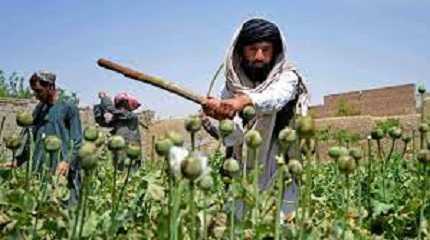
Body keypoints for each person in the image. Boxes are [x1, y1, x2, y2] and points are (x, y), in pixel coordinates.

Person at [202, 18, 310, 216]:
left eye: (265, 49)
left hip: (280, 165)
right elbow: (234, 137)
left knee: (282, 225)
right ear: (241, 51)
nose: (259, 56)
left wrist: (242, 101)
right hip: (243, 171)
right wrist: (220, 118)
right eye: (252, 49)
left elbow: (275, 99)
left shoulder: (287, 77)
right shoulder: (231, 86)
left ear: (275, 51)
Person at [3, 70, 83, 203]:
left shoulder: (68, 108)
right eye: (34, 91)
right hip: (39, 168)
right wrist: (18, 160)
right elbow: (31, 138)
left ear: (50, 87)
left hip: (60, 170)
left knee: (62, 209)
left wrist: (67, 161)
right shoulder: (39, 109)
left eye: (39, 91)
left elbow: (77, 140)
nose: (36, 95)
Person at [94, 91, 142, 168]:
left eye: (122, 104)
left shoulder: (131, 116)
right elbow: (102, 122)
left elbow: (111, 109)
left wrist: (104, 98)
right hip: (120, 154)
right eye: (119, 105)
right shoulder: (118, 119)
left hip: (132, 153)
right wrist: (98, 108)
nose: (121, 107)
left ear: (127, 105)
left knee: (132, 176)